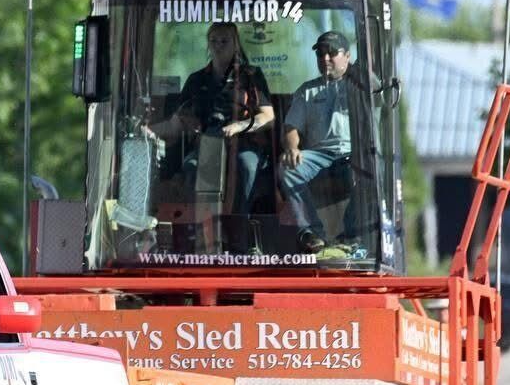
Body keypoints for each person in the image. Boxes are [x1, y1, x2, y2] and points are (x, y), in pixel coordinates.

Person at [149, 21, 275, 217]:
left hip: (243, 144)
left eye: (224, 41)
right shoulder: (196, 80)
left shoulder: (252, 76)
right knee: (191, 167)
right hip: (207, 144)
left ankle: (239, 227)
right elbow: (175, 124)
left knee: (246, 166)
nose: (218, 45)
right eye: (213, 40)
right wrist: (148, 131)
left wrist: (239, 126)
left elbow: (268, 117)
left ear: (236, 44)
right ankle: (199, 231)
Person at [280, 30, 363, 254]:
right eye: (320, 54)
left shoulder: (360, 85)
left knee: (370, 167)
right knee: (288, 167)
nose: (325, 58)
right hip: (320, 156)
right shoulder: (307, 91)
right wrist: (292, 148)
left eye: (332, 53)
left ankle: (351, 235)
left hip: (353, 154)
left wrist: (359, 71)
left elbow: (378, 91)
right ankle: (311, 232)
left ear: (347, 56)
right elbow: (291, 127)